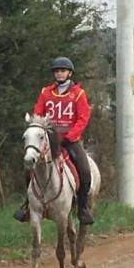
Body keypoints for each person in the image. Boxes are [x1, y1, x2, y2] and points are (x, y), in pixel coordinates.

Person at [13, 56, 94, 226]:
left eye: (62, 71)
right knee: (29, 168)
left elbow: (83, 118)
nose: (59, 74)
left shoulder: (78, 94)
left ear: (69, 73)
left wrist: (70, 137)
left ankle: (82, 208)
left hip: (69, 140)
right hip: (47, 141)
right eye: (57, 71)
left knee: (84, 171)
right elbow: (38, 114)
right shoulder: (46, 92)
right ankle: (28, 204)